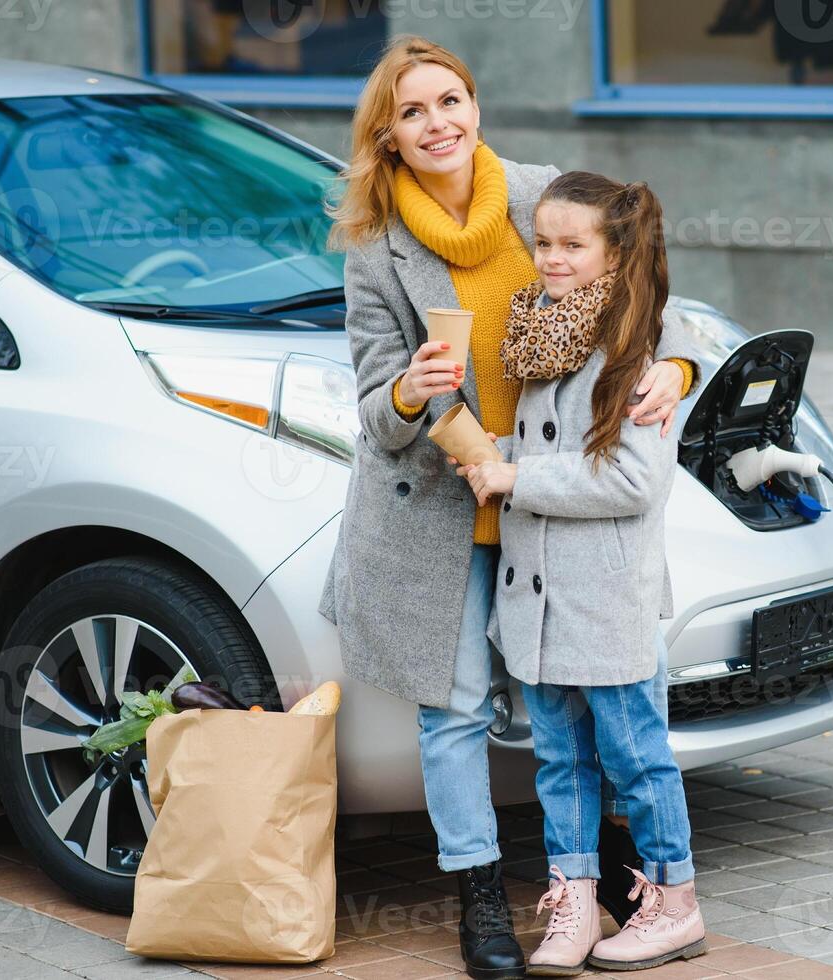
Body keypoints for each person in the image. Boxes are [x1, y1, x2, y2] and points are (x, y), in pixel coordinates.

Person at [316, 36, 701, 980]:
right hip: (438, 510)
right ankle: (480, 896)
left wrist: (676, 365)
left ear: (476, 106)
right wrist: (413, 392)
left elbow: (652, 291)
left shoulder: (539, 197)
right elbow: (376, 409)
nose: (438, 122)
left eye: (451, 100)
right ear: (388, 137)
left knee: (573, 704)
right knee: (453, 714)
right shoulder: (376, 250)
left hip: (547, 506)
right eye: (412, 112)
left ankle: (606, 878)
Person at [459, 171, 706, 974]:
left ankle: (674, 903)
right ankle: (575, 903)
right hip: (537, 602)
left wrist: (515, 479)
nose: (554, 259)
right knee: (560, 763)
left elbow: (635, 481)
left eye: (574, 244)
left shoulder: (636, 349)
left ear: (613, 252)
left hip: (604, 602)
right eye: (544, 243)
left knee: (636, 758)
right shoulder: (539, 331)